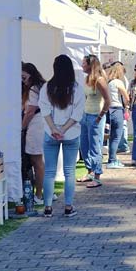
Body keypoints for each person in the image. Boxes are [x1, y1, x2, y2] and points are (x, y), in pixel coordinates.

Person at [38, 55, 85, 218]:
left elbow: (44, 109)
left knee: (50, 171)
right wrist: (63, 129)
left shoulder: (47, 87)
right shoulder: (76, 88)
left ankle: (48, 207)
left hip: (50, 133)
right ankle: (68, 206)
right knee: (69, 172)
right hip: (71, 133)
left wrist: (53, 128)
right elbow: (78, 113)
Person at [77, 54, 110, 188]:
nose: (82, 66)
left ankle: (97, 176)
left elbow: (108, 101)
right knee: (84, 145)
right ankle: (89, 171)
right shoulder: (86, 79)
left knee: (95, 146)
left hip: (96, 116)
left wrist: (100, 116)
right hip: (85, 115)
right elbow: (86, 97)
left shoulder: (100, 80)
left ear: (91, 65)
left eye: (84, 63)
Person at [21, 62, 47, 204]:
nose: (22, 79)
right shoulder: (40, 87)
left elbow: (30, 110)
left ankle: (38, 195)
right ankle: (45, 191)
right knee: (38, 161)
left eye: (24, 76)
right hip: (41, 124)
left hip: (36, 126)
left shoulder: (33, 89)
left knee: (37, 161)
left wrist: (22, 127)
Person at [105, 62, 130, 169]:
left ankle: (112, 158)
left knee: (111, 136)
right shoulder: (118, 82)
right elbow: (126, 97)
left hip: (108, 109)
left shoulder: (108, 82)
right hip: (117, 108)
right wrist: (127, 105)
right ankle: (112, 159)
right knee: (116, 136)